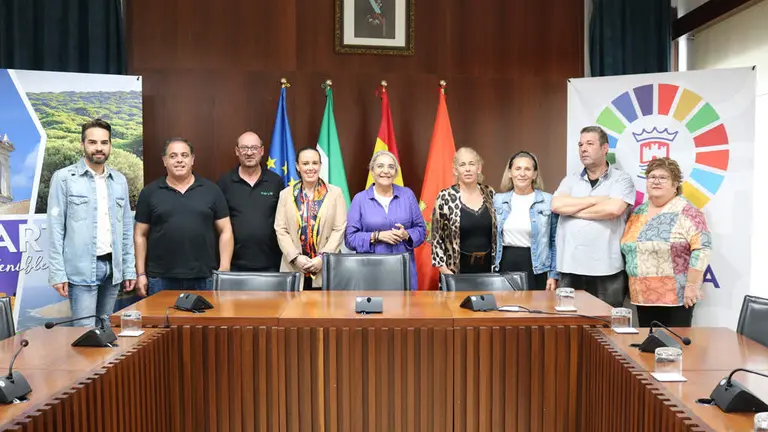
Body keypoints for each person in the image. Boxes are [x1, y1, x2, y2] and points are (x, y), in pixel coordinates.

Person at [47, 119, 135, 327]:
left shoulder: (119, 180)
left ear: (110, 145)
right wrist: (57, 273)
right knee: (85, 333)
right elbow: (55, 229)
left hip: (113, 269)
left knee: (106, 330)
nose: (99, 148)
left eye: (104, 142)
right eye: (92, 142)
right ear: (82, 144)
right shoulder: (64, 178)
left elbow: (125, 228)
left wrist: (129, 268)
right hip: (82, 269)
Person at [134, 138, 233, 296]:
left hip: (204, 277)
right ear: (164, 161)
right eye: (173, 156)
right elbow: (140, 234)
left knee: (207, 314)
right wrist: (140, 274)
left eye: (184, 155)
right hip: (161, 278)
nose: (179, 160)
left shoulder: (211, 190)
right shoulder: (150, 192)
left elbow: (226, 230)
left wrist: (224, 269)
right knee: (160, 315)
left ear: (192, 159)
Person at [620, 158, 711, 327]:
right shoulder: (638, 212)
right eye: (652, 177)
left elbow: (702, 248)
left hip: (676, 297)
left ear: (675, 184)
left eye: (663, 177)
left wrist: (692, 285)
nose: (656, 181)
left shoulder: (687, 211)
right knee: (648, 342)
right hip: (642, 296)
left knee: (674, 343)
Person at [551, 126, 635, 307]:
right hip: (570, 268)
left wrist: (572, 210)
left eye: (589, 144)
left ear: (605, 148)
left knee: (607, 321)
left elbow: (613, 209)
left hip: (607, 270)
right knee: (570, 322)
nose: (583, 149)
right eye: (580, 145)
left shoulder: (621, 179)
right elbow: (556, 205)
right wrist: (596, 199)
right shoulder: (570, 180)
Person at [345, 151, 426, 290]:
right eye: (380, 166)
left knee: (405, 304)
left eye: (391, 167)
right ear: (372, 171)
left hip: (402, 272)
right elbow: (350, 239)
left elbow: (421, 230)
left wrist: (406, 235)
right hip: (370, 273)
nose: (386, 171)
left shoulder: (407, 195)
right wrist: (377, 236)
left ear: (396, 173)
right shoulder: (360, 199)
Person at [274, 146, 347, 290]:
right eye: (305, 163)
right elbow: (280, 229)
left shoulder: (335, 193)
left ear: (320, 165)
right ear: (297, 166)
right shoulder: (286, 194)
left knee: (326, 305)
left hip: (326, 268)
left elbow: (339, 229)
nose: (310, 168)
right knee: (293, 305)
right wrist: (296, 258)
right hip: (294, 267)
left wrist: (322, 258)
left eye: (315, 163)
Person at [217, 131, 283, 272]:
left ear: (262, 151)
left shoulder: (275, 182)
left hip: (271, 265)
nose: (249, 152)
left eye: (254, 148)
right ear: (237, 151)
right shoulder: (224, 183)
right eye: (244, 148)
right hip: (234, 265)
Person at [493, 151, 558, 290]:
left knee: (535, 304)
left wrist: (553, 275)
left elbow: (554, 241)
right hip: (505, 265)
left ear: (534, 174)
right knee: (506, 304)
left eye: (527, 169)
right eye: (518, 169)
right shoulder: (498, 200)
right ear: (510, 173)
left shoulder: (548, 201)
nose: (522, 174)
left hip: (537, 268)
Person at [431, 147, 496, 275]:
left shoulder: (490, 193)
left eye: (471, 164)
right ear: (455, 170)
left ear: (479, 168)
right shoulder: (445, 197)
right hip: (455, 271)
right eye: (462, 165)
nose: (467, 169)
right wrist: (444, 270)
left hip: (488, 270)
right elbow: (436, 237)